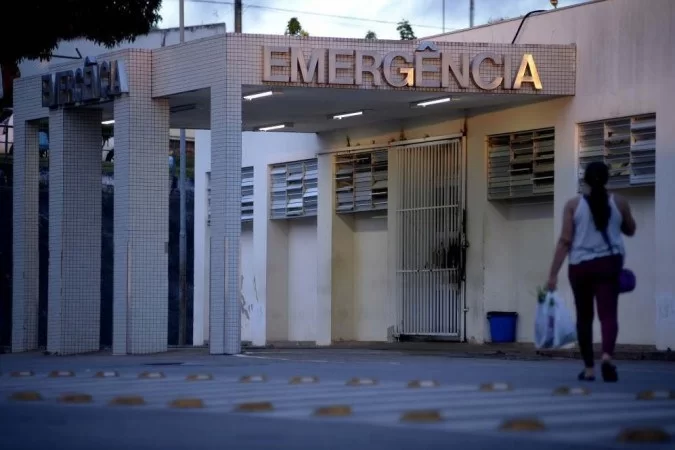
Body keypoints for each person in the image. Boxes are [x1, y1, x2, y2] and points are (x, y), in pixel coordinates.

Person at [546, 161, 636, 382]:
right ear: (607, 179)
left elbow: (565, 241)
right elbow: (630, 229)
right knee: (608, 315)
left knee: (584, 318)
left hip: (581, 267)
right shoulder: (620, 202)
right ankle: (606, 357)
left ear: (585, 180)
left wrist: (553, 273)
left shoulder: (573, 205)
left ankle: (588, 369)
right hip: (608, 264)